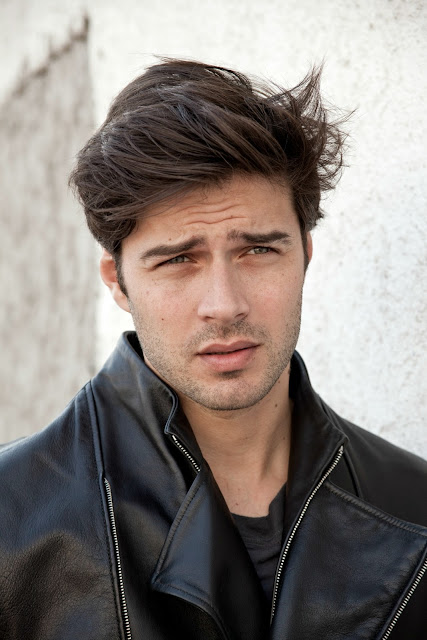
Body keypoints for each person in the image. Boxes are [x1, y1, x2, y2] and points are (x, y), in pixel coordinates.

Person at [0, 59, 426, 640]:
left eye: (258, 250)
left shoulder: (413, 503)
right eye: (179, 259)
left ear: (304, 255)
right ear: (118, 281)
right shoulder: (12, 519)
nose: (224, 305)